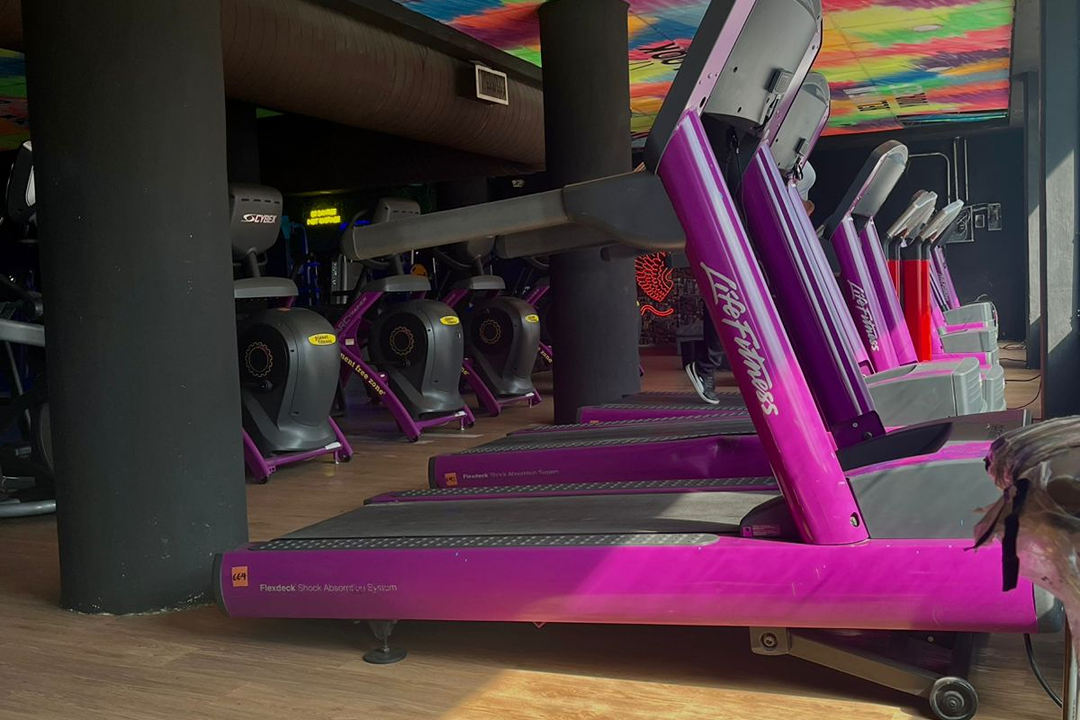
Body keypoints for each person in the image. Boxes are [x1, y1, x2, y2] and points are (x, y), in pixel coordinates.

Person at [685, 162, 817, 404]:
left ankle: (768, 371)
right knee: (729, 294)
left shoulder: (799, 168)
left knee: (762, 303)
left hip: (765, 231)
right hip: (734, 225)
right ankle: (706, 367)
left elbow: (800, 208)